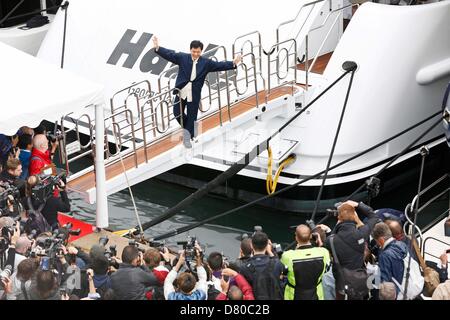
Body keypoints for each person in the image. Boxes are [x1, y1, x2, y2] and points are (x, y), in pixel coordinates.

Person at [153, 37, 242, 148]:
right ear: (190, 50)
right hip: (182, 90)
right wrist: (157, 48)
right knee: (176, 112)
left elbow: (219, 65)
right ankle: (191, 130)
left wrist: (233, 63)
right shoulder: (183, 58)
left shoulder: (206, 62)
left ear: (201, 51)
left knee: (192, 116)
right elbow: (170, 54)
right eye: (194, 51)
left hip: (194, 93)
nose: (195, 54)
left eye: (198, 52)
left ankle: (187, 138)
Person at [325, 200, 379, 300]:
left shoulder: (331, 240)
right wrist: (358, 205)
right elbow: (373, 216)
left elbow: (331, 238)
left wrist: (339, 222)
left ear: (338, 218)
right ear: (354, 216)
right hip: (360, 280)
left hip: (342, 284)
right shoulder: (362, 233)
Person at [281, 224, 331, 300]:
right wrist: (319, 241)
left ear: (296, 238)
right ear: (311, 236)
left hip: (294, 295)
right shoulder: (323, 252)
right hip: (317, 295)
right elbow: (327, 268)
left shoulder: (288, 256)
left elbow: (282, 273)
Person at [239, 231, 286, 300]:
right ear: (267, 245)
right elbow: (284, 270)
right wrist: (270, 252)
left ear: (251, 245)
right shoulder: (276, 264)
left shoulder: (244, 268)